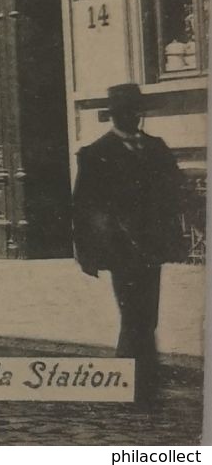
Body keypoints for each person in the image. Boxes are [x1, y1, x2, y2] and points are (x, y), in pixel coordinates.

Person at [72, 82, 186, 404]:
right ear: (113, 115)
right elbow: (84, 207)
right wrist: (88, 254)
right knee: (133, 312)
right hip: (120, 248)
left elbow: (173, 195)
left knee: (147, 315)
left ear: (140, 113)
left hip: (151, 245)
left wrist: (174, 238)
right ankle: (135, 381)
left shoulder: (156, 148)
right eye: (124, 112)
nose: (131, 117)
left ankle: (140, 380)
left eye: (135, 111)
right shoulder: (96, 154)